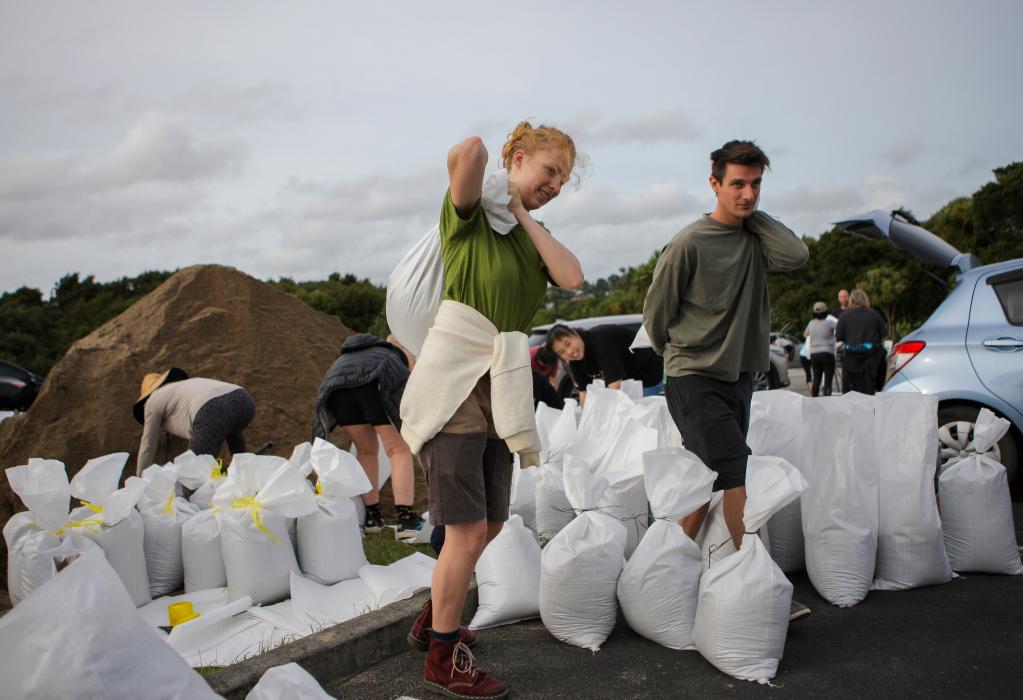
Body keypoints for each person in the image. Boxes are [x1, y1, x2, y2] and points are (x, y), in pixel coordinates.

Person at [399, 121, 583, 698]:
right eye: (548, 170)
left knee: (493, 524)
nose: (555, 184)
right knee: (466, 529)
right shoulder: (468, 217)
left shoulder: (529, 230)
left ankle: (436, 619)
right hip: (456, 381)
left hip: (500, 385)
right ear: (520, 158)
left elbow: (573, 279)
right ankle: (441, 659)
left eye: (564, 179)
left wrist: (526, 214)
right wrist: (499, 183)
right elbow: (469, 152)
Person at [642, 139, 810, 621]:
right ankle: (755, 582)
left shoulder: (756, 238)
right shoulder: (689, 244)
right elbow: (656, 316)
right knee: (737, 470)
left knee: (707, 480)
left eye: (755, 185)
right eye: (737, 184)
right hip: (694, 377)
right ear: (713, 183)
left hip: (739, 379)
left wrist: (747, 215)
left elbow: (796, 256)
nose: (748, 193)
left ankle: (657, 572)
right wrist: (681, 354)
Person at [312, 333, 421, 537]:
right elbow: (406, 389)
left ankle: (372, 517)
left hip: (337, 393)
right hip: (372, 386)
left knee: (366, 452)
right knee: (399, 451)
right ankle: (406, 520)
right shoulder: (394, 356)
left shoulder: (350, 357)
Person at [134, 369, 255, 475]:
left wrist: (140, 477)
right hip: (244, 400)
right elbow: (227, 416)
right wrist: (240, 457)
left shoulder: (152, 400)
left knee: (192, 474)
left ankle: (186, 499)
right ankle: (246, 472)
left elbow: (148, 443)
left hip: (211, 411)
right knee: (232, 429)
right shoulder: (184, 387)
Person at [545, 323, 664, 403]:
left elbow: (615, 385)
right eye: (562, 352)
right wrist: (587, 420)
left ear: (574, 333)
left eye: (568, 343)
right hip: (629, 383)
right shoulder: (574, 362)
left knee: (644, 420)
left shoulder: (601, 341)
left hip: (649, 372)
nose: (570, 351)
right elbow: (583, 392)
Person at [835, 288, 887, 395]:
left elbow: (839, 337)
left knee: (851, 395)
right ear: (865, 299)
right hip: (871, 360)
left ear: (851, 300)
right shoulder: (874, 314)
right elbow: (883, 337)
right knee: (869, 394)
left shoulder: (844, 316)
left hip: (851, 361)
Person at [804, 301, 837, 397]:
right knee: (828, 379)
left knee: (816, 378)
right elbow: (839, 330)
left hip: (814, 354)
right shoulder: (830, 323)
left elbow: (805, 334)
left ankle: (814, 399)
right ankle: (827, 399)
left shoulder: (811, 323)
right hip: (827, 353)